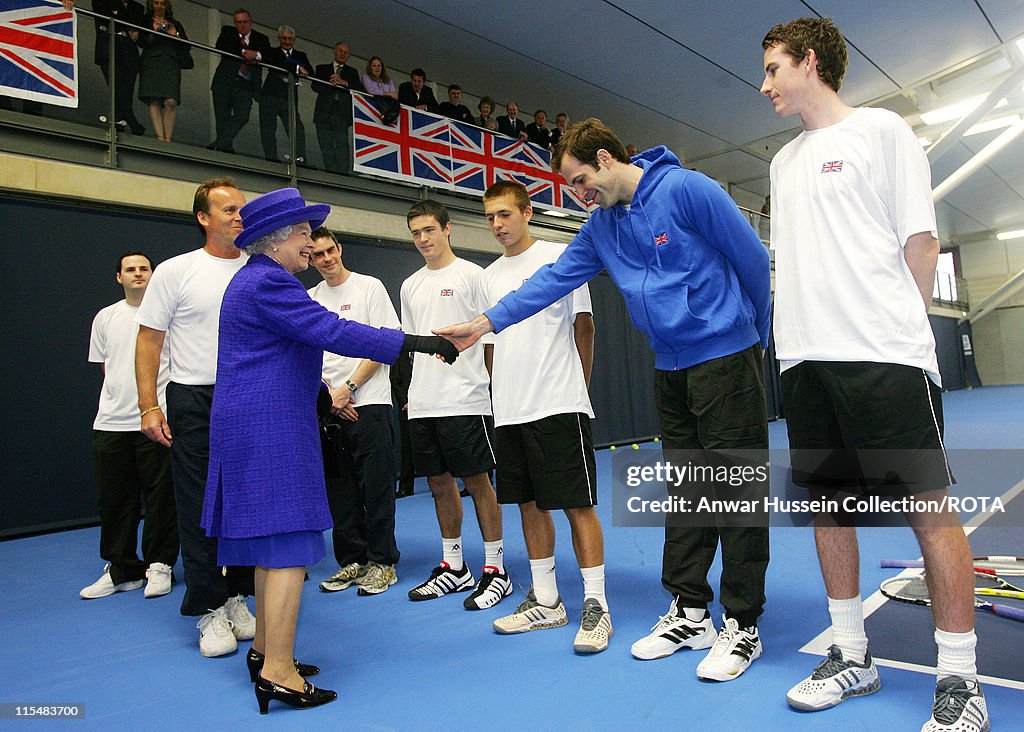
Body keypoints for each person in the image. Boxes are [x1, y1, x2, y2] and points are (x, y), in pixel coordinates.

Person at [435, 119, 772, 680]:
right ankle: (691, 611)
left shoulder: (689, 190)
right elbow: (549, 282)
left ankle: (743, 624)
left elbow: (754, 263)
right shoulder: (600, 230)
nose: (577, 192)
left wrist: (752, 340)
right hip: (671, 368)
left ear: (605, 159)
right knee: (689, 495)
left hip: (726, 359)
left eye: (580, 179)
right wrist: (484, 322)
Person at [760, 18, 987, 731]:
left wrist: (901, 330)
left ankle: (960, 678)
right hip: (805, 361)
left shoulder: (883, 131)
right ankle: (852, 656)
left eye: (774, 67)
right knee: (828, 508)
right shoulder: (782, 161)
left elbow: (919, 243)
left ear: (811, 61)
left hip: (885, 357)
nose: (764, 83)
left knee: (927, 509)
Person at [200, 188, 458, 714]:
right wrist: (420, 343)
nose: (311, 244)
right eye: (303, 234)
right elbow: (332, 331)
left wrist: (322, 398)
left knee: (274, 547)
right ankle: (278, 672)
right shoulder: (270, 281)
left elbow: (279, 353)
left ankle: (266, 651)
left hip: (257, 425)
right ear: (275, 241)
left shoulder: (255, 280)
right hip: (269, 431)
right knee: (290, 545)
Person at [478, 180, 611, 652]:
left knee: (577, 504)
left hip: (558, 402)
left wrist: (577, 388)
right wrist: (500, 397)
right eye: (490, 216)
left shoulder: (562, 257)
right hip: (509, 410)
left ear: (528, 212)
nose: (497, 224)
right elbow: (491, 346)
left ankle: (596, 605)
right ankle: (547, 599)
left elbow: (585, 327)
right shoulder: (488, 276)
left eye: (505, 214)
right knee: (528, 504)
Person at [135, 178, 256, 658]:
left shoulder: (260, 270)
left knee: (246, 505)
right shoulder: (175, 271)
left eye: (241, 208)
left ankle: (238, 596)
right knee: (199, 504)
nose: (237, 215)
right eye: (226, 209)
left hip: (249, 399)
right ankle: (208, 609)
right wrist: (149, 404)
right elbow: (149, 340)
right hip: (194, 399)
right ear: (203, 218)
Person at [401, 200, 512, 611]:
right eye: (416, 233)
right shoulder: (410, 285)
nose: (423, 239)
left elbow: (490, 340)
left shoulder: (473, 276)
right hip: (425, 403)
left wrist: (492, 390)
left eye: (429, 230)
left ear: (448, 229)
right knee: (437, 483)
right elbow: (413, 345)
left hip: (466, 400)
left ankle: (496, 569)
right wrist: (414, 395)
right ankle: (454, 565)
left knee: (478, 483)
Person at [307, 227, 402, 596]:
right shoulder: (310, 298)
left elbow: (385, 344)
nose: (327, 259)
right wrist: (330, 398)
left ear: (340, 248)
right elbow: (306, 354)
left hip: (370, 403)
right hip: (329, 409)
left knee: (375, 488)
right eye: (318, 255)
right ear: (310, 259)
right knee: (341, 490)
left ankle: (382, 562)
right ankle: (352, 560)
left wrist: (349, 389)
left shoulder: (369, 287)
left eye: (331, 250)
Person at [82, 251, 178, 601]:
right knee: (115, 500)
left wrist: (154, 408)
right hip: (111, 423)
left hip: (158, 420)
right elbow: (107, 368)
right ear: (119, 277)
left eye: (144, 268)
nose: (138, 274)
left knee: (162, 499)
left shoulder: (168, 317)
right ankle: (122, 570)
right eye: (130, 269)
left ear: (153, 275)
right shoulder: (105, 317)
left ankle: (159, 565)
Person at [209, 8, 271, 153]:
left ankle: (220, 143)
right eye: (239, 22)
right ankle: (225, 148)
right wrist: (244, 53)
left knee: (242, 116)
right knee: (221, 117)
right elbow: (222, 47)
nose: (242, 25)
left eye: (245, 22)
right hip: (224, 82)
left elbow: (269, 56)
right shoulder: (228, 32)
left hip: (246, 84)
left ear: (251, 22)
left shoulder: (261, 39)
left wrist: (256, 55)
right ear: (235, 23)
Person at [137, 0, 191, 142]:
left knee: (171, 101)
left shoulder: (175, 23)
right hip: (152, 61)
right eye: (156, 3)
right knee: (154, 100)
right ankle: (161, 138)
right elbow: (140, 41)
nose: (159, 6)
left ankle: (168, 138)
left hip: (170, 62)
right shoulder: (145, 20)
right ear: (151, 5)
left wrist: (175, 34)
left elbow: (187, 46)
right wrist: (153, 31)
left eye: (162, 3)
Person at [259, 25, 313, 163]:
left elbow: (310, 71)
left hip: (288, 99)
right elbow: (277, 62)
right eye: (284, 38)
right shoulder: (272, 51)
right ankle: (270, 158)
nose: (287, 42)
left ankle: (301, 160)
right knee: (268, 129)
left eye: (290, 39)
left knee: (297, 130)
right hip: (270, 96)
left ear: (294, 40)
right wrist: (296, 67)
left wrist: (299, 67)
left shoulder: (301, 55)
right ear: (279, 38)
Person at [93, 0, 147, 135]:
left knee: (127, 92)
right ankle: (132, 121)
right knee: (117, 88)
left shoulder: (137, 8)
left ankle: (119, 124)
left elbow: (140, 36)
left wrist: (136, 33)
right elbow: (105, 20)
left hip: (129, 54)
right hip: (109, 50)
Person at [313, 42, 363, 174]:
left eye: (346, 53)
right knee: (325, 143)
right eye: (340, 51)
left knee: (341, 145)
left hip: (341, 113)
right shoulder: (322, 68)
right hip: (323, 111)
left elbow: (359, 89)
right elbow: (314, 86)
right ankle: (331, 172)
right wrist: (329, 83)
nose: (343, 54)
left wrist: (344, 83)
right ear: (335, 52)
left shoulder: (352, 72)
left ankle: (342, 174)